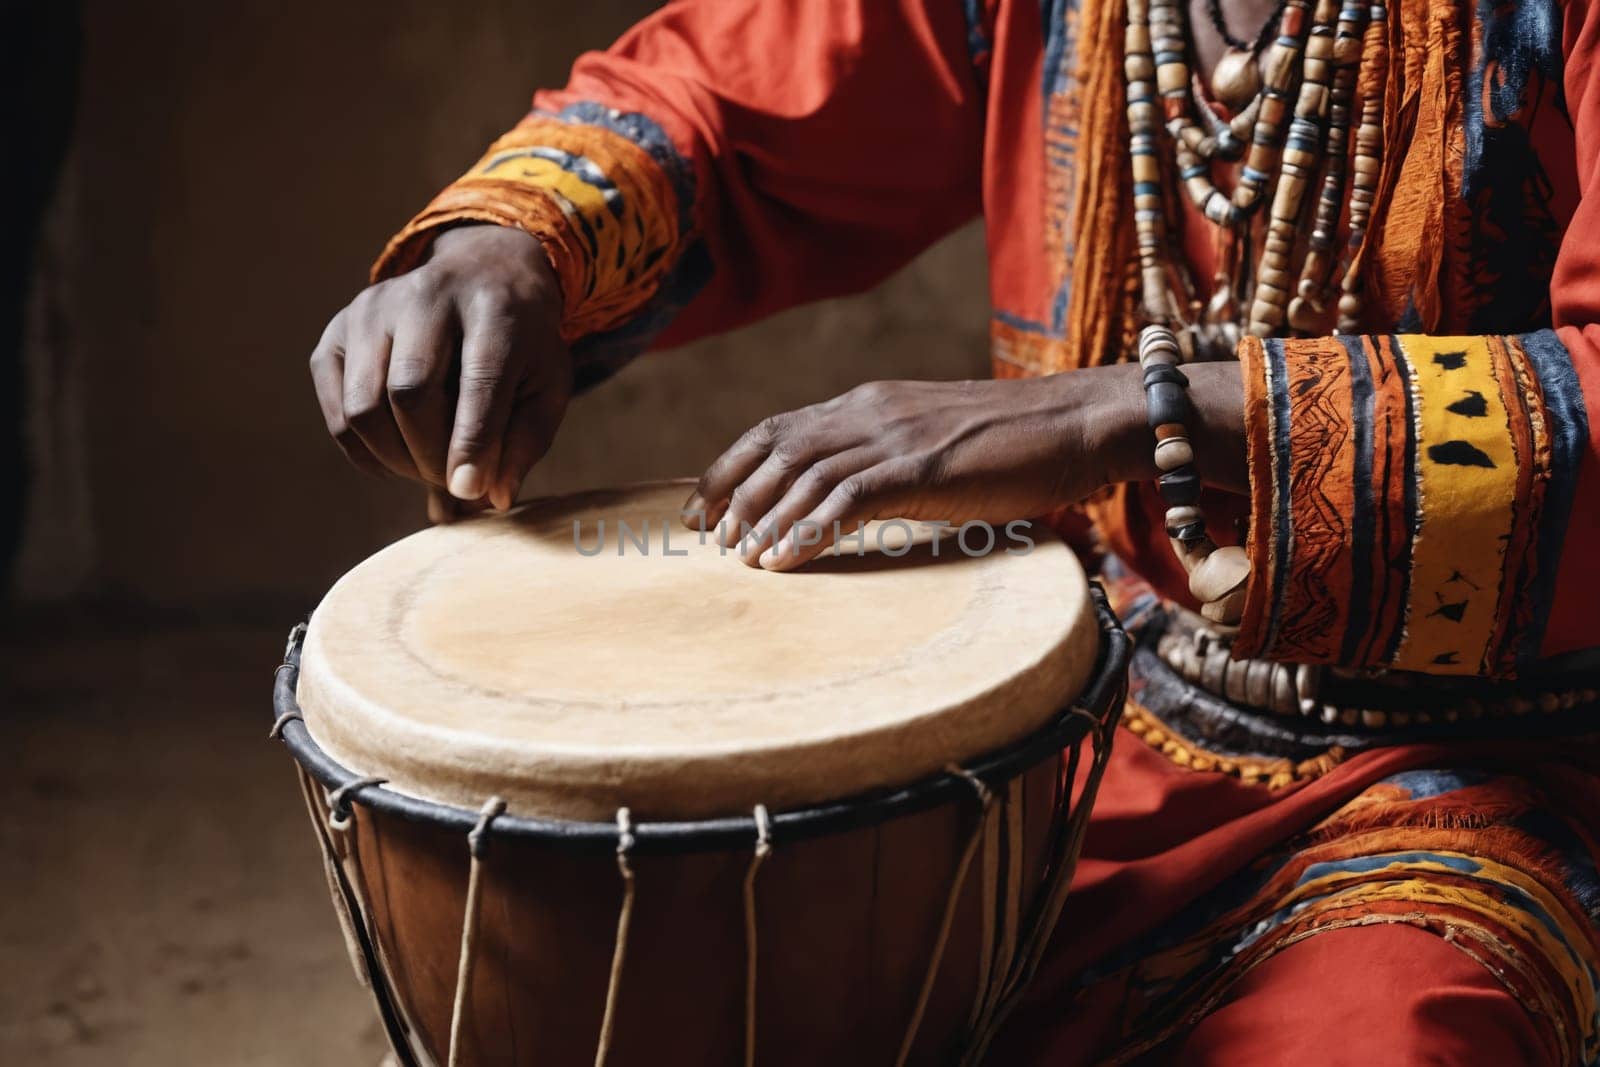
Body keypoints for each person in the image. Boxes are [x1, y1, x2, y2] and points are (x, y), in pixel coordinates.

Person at [309, 0, 1600, 1061]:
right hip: (1102, 719)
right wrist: (512, 245)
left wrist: (1124, 413)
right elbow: (751, 86)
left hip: (1499, 757)